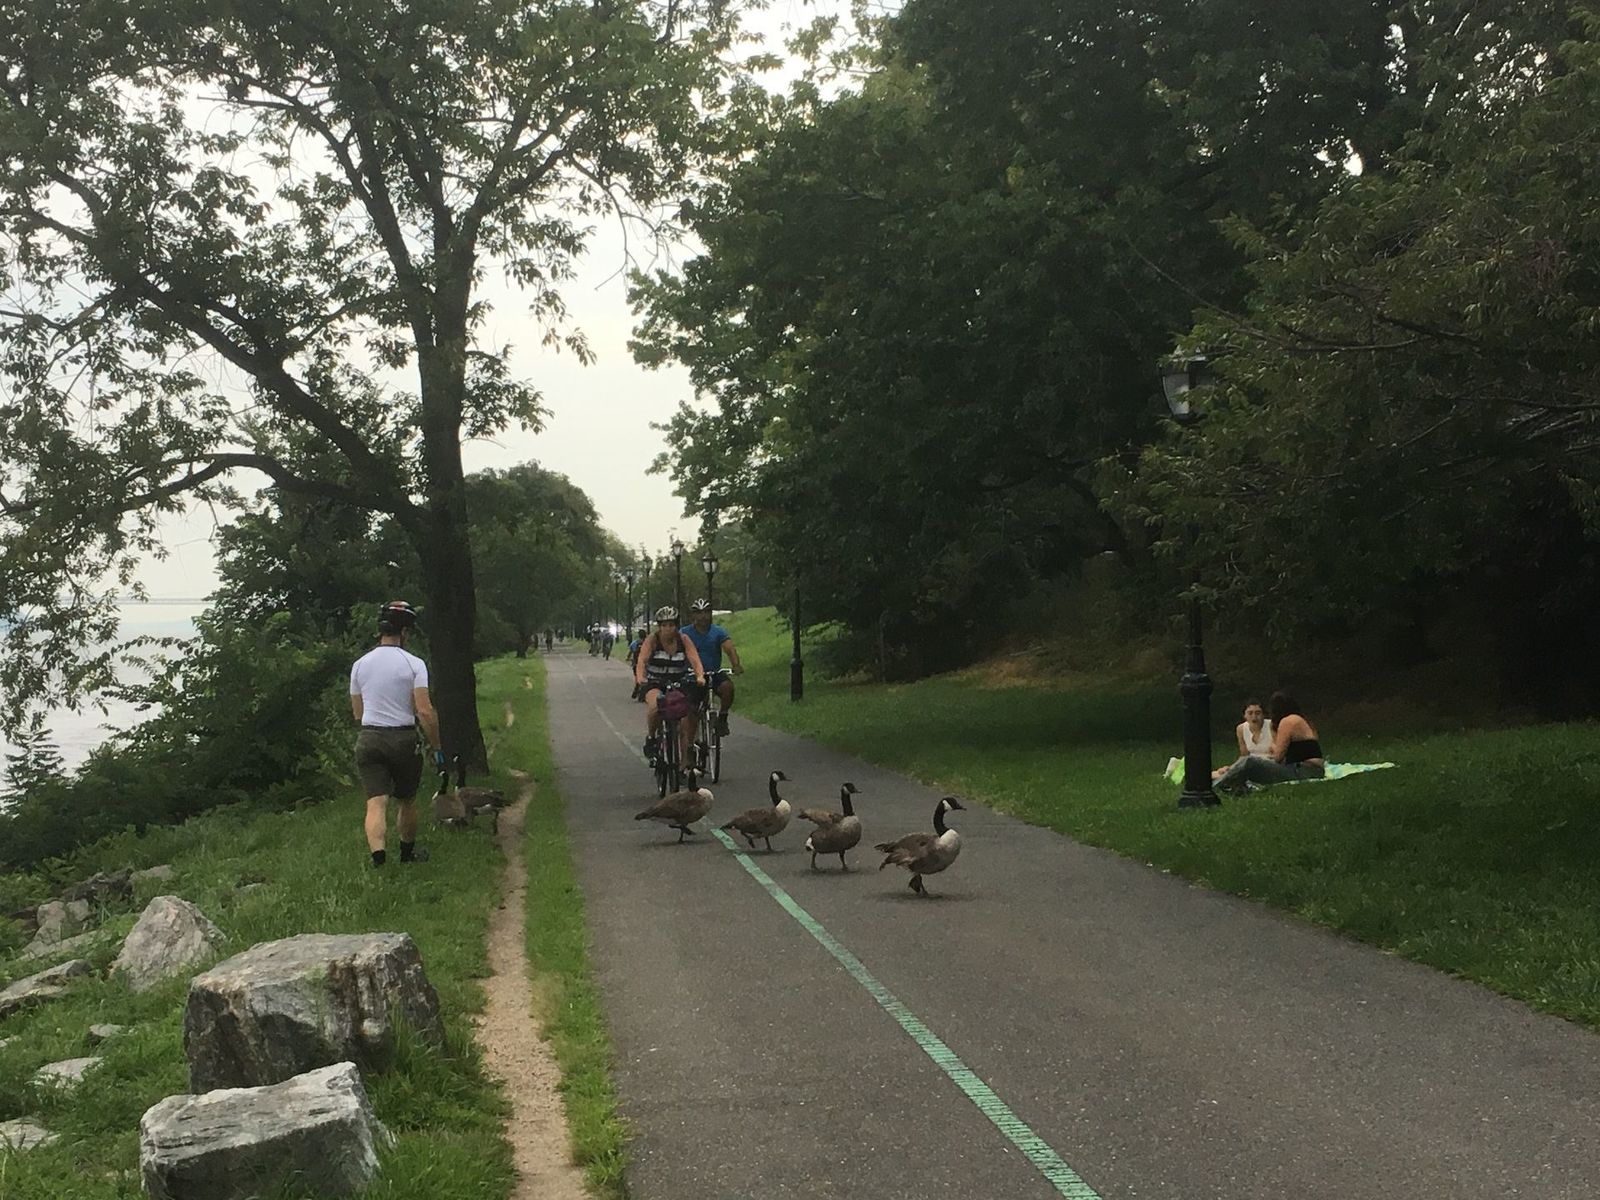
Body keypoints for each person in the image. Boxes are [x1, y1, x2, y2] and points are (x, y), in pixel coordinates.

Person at [350, 600, 443, 868]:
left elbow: (358, 712)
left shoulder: (360, 665)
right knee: (407, 800)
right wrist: (436, 746)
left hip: (369, 737)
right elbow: (424, 711)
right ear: (404, 632)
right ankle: (406, 854)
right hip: (403, 738)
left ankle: (379, 861)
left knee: (376, 802)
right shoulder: (414, 664)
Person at [634, 606, 707, 764]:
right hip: (655, 681)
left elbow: (695, 660)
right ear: (659, 626)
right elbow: (642, 661)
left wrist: (700, 675)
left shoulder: (684, 640)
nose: (668, 629)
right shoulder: (652, 640)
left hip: (678, 681)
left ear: (676, 626)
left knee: (685, 718)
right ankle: (652, 738)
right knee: (656, 705)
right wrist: (640, 677)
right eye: (664, 625)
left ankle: (684, 763)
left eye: (672, 625)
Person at [1214, 691, 1325, 792]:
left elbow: (1278, 757)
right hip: (1310, 769)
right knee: (1247, 764)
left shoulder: (1287, 722)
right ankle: (1234, 786)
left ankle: (1216, 786)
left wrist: (1273, 748)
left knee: (1249, 761)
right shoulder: (1299, 719)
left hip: (1304, 771)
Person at [682, 598, 743, 736]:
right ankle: (691, 740)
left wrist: (736, 665)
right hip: (693, 675)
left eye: (706, 612)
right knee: (692, 708)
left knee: (728, 688)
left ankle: (722, 718)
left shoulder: (718, 632)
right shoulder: (685, 633)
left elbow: (729, 649)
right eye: (699, 613)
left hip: (713, 673)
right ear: (693, 615)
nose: (703, 616)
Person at [1211, 700, 1273, 780]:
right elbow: (1244, 755)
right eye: (1250, 713)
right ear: (1245, 715)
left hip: (1268, 764)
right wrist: (1233, 766)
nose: (1254, 717)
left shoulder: (1271, 726)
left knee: (1228, 774)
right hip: (1249, 764)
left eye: (1258, 713)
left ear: (1263, 714)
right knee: (1216, 773)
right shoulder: (1241, 729)